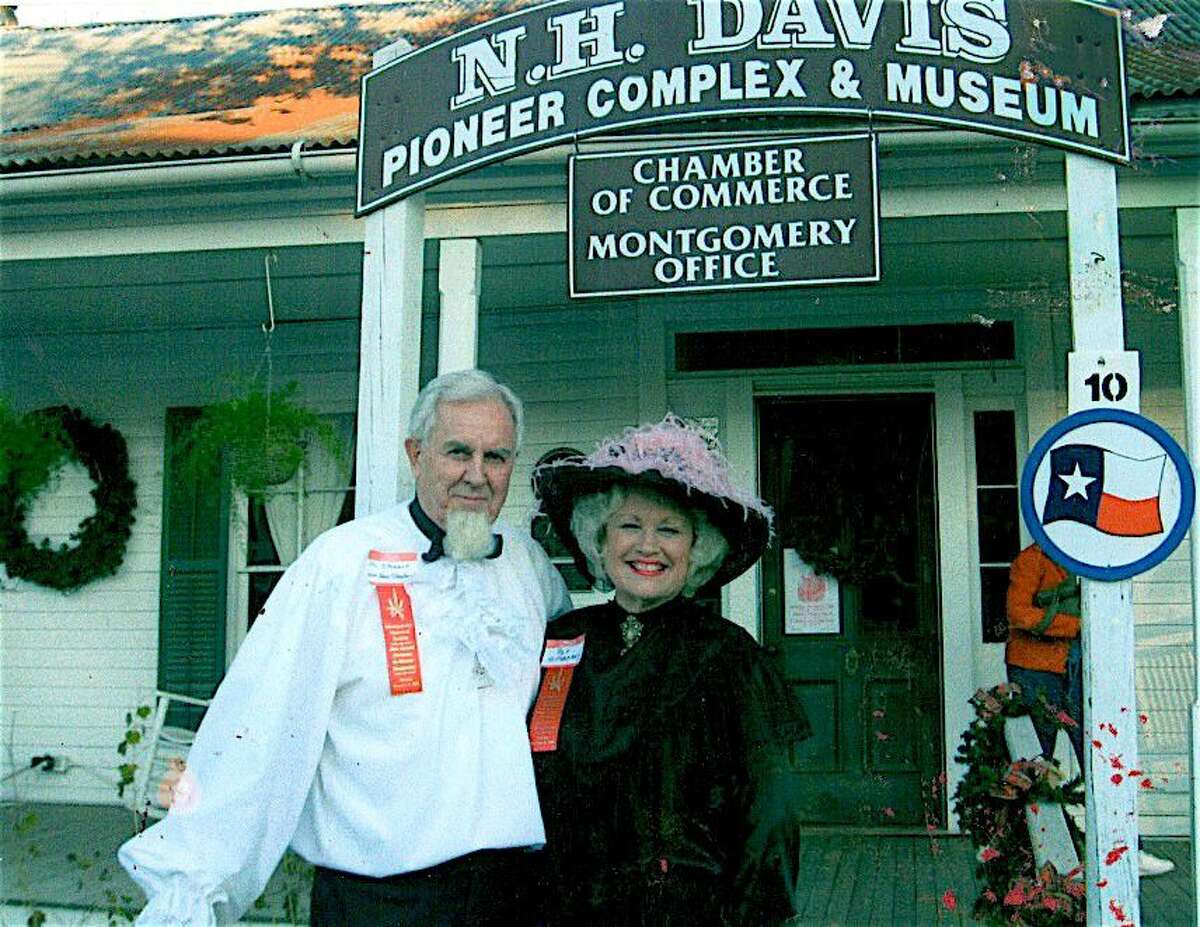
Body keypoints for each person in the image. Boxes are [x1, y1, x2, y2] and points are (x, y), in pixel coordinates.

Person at [119, 369, 572, 925]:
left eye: (497, 457)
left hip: (511, 897)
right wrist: (193, 882)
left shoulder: (529, 570)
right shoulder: (342, 563)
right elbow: (259, 729)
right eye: (458, 452)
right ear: (416, 454)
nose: (477, 476)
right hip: (379, 904)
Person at [529, 415, 811, 925]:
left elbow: (771, 818)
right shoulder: (562, 639)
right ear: (600, 539)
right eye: (630, 526)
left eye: (669, 530)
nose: (647, 546)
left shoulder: (729, 655)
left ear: (697, 549)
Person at [1005, 541, 1174, 878]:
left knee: (1102, 755)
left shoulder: (1088, 558)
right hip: (1038, 672)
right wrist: (1074, 625)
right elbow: (1018, 613)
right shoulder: (1031, 560)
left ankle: (1128, 850)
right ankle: (1034, 860)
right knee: (1035, 764)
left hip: (1078, 668)